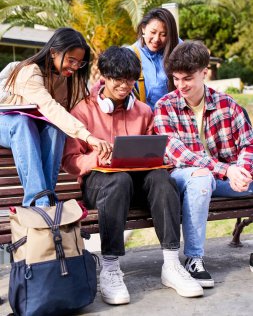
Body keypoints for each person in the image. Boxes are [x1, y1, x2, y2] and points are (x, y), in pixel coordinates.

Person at [62, 46, 203, 305]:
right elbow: (70, 162)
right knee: (118, 179)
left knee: (163, 180)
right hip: (101, 186)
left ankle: (171, 265)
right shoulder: (82, 111)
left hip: (138, 184)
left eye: (130, 80)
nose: (125, 86)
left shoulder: (143, 111)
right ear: (104, 76)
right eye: (118, 79)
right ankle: (111, 268)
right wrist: (96, 158)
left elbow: (155, 148)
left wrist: (159, 159)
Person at [154, 40, 253, 289]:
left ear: (204, 72)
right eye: (176, 79)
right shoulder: (165, 106)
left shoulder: (228, 105)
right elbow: (179, 154)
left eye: (187, 78)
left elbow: (248, 144)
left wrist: (243, 172)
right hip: (185, 178)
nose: (180, 85)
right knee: (201, 176)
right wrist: (225, 169)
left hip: (226, 178)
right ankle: (194, 259)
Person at [0, 27, 111, 207]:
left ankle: (47, 197)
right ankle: (39, 202)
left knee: (55, 127)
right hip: (7, 124)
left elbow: (82, 105)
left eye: (80, 63)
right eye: (71, 60)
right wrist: (88, 137)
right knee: (22, 122)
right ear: (53, 53)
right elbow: (50, 108)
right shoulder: (29, 72)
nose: (75, 67)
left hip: (32, 128)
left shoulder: (68, 79)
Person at [129, 7, 180, 110]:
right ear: (143, 28)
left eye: (164, 34)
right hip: (144, 121)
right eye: (153, 32)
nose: (156, 39)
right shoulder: (129, 54)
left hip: (174, 118)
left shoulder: (178, 48)